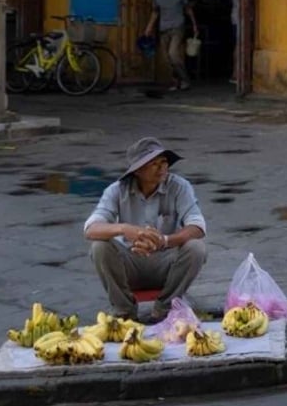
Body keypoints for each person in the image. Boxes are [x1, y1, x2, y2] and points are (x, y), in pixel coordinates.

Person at [83, 137, 208, 323]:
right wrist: (125, 229)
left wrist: (164, 241)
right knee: (99, 247)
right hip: (130, 264)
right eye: (154, 164)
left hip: (166, 264)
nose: (162, 168)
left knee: (196, 247)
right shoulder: (116, 190)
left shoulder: (179, 186)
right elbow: (91, 229)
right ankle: (124, 311)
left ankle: (166, 308)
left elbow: (198, 226)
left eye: (164, 162)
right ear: (138, 170)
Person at [144, 0, 198, 91]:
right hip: (163, 29)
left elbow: (187, 8)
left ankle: (185, 80)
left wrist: (194, 24)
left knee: (173, 53)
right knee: (166, 58)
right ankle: (175, 81)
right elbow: (155, 12)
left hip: (177, 27)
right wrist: (149, 27)